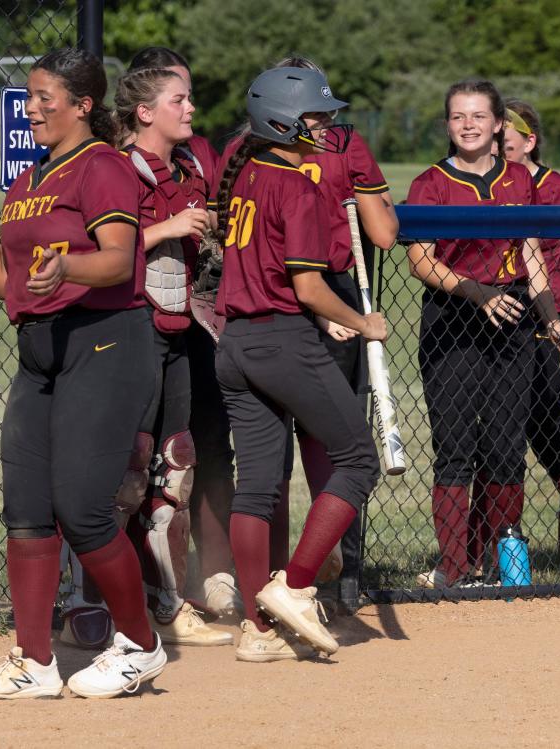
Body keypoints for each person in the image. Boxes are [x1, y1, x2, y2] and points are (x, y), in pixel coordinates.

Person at [0, 47, 167, 700]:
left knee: (82, 510)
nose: (31, 109)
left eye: (43, 98)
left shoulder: (103, 167)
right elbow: (9, 280)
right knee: (27, 509)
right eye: (27, 98)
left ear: (83, 106)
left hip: (104, 341)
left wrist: (69, 268)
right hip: (41, 349)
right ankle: (35, 661)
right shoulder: (29, 181)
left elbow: (116, 260)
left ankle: (141, 644)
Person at [214, 66, 385, 660]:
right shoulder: (296, 182)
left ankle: (256, 633)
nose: (327, 124)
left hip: (235, 345)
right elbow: (309, 289)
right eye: (316, 116)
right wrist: (365, 323)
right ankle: (294, 584)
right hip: (284, 339)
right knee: (359, 459)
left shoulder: (244, 171)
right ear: (284, 120)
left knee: (257, 488)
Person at [406, 80, 560, 589]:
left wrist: (553, 324)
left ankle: (506, 561)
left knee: (506, 446)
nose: (468, 124)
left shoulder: (517, 180)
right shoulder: (430, 183)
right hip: (453, 318)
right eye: (458, 116)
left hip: (513, 319)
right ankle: (456, 568)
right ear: (447, 125)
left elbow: (531, 255)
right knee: (456, 446)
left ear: (498, 123)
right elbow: (420, 261)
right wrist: (477, 292)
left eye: (479, 116)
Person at [266, 56, 399, 604]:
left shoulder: (250, 147)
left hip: (268, 295)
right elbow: (385, 234)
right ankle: (333, 574)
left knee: (271, 446)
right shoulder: (345, 143)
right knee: (337, 438)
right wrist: (367, 192)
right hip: (329, 295)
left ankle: (276, 575)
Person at [115, 65, 231, 646]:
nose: (190, 109)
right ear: (145, 112)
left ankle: (172, 603)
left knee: (175, 466)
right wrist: (166, 227)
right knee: (126, 473)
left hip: (177, 332)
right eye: (179, 100)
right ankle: (102, 602)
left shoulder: (186, 168)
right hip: (129, 331)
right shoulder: (118, 168)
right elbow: (95, 246)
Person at [482, 99, 560, 581]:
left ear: (528, 141)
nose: (496, 150)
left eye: (505, 143)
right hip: (498, 323)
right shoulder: (486, 188)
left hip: (556, 324)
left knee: (533, 426)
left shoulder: (559, 189)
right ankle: (484, 554)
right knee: (519, 432)